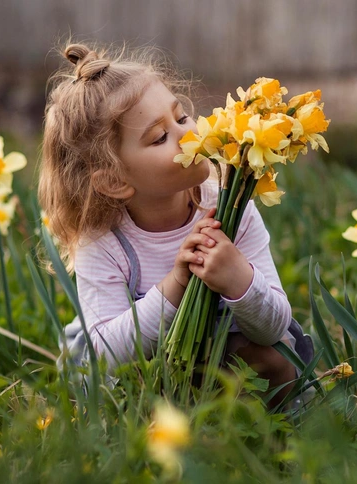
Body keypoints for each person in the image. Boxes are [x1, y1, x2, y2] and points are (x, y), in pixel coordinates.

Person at [38, 43, 311, 407]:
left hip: (220, 359)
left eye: (181, 118)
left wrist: (238, 280)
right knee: (114, 386)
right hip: (145, 374)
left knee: (275, 358)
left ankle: (254, 431)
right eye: (159, 137)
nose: (187, 133)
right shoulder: (102, 241)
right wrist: (174, 286)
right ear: (115, 181)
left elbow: (276, 327)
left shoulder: (231, 206)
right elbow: (106, 356)